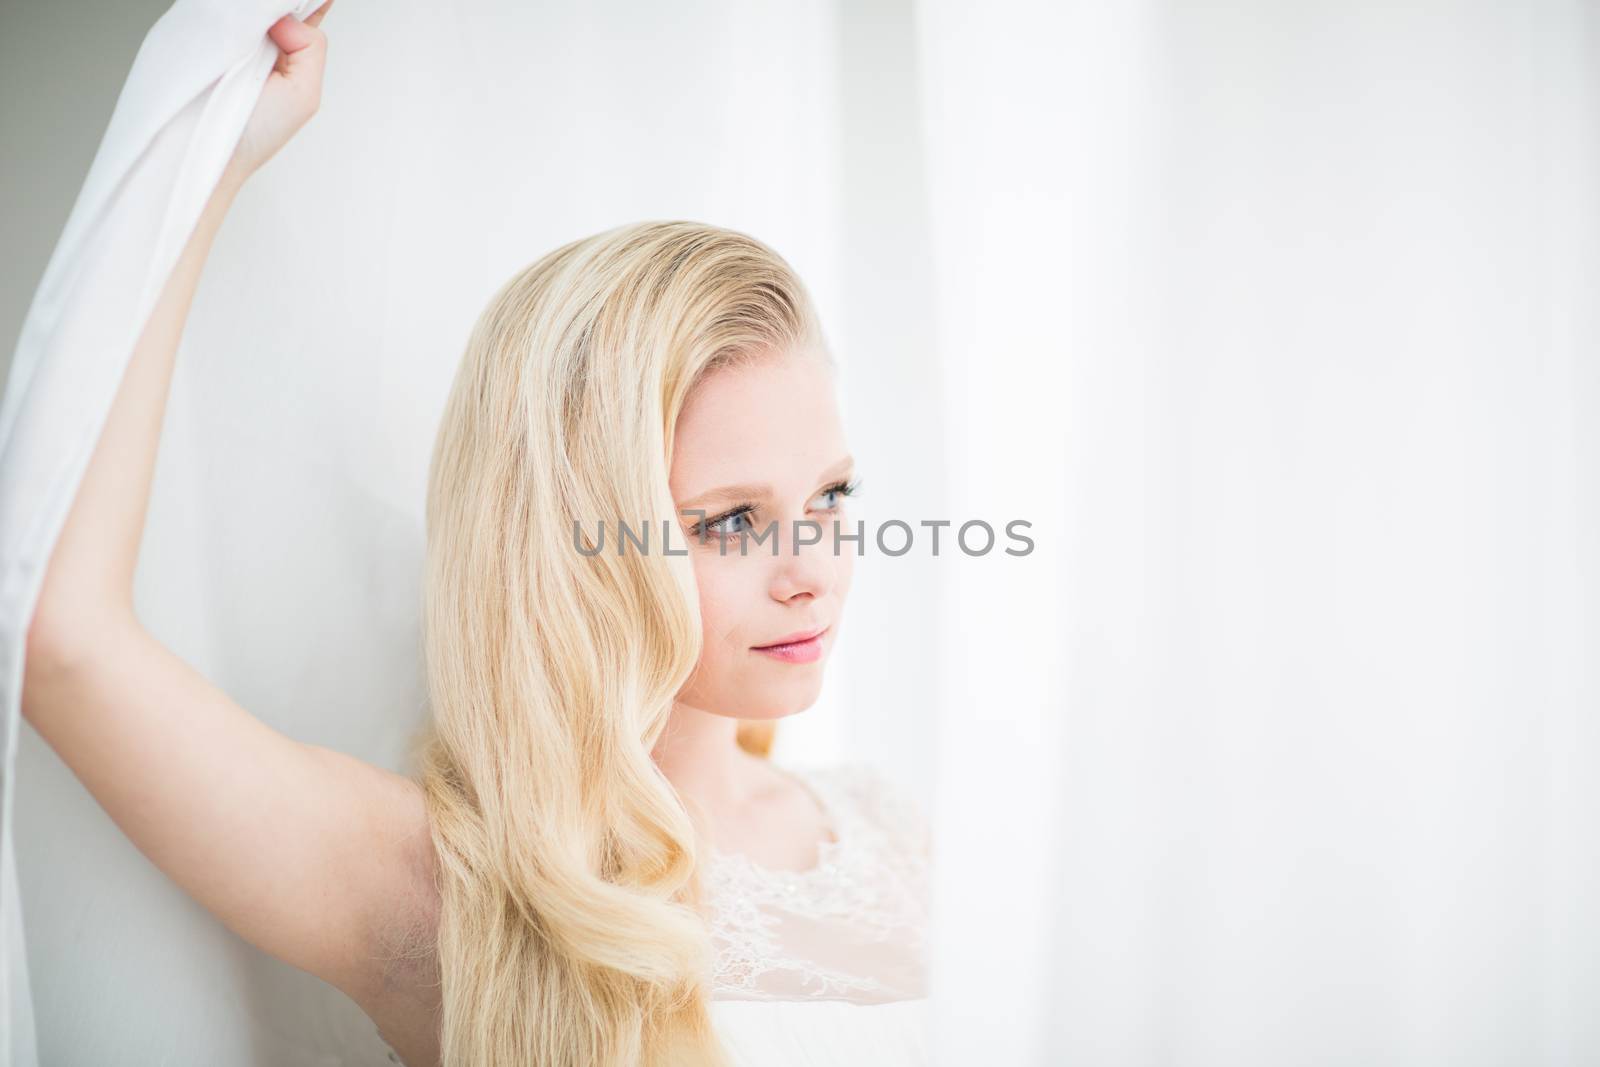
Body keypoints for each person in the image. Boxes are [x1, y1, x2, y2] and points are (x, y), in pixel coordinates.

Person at [19, 5, 931, 1065]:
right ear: (568, 541)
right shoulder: (440, 883)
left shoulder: (890, 831)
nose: (812, 571)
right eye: (730, 520)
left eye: (832, 496)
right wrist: (210, 152)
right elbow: (58, 630)